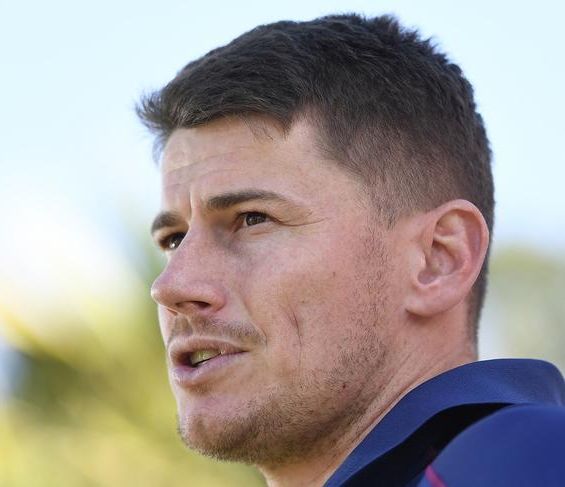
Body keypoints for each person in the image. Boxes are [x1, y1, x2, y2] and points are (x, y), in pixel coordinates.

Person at [137, 13, 565, 487]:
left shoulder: (527, 459)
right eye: (173, 239)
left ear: (439, 259)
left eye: (252, 219)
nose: (170, 285)